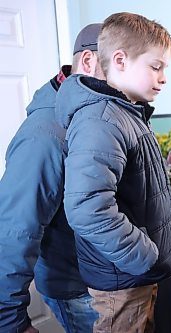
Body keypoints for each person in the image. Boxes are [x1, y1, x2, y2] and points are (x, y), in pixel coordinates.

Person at [55, 12, 171, 333]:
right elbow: (87, 210)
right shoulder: (102, 119)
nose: (164, 78)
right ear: (120, 60)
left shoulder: (124, 113)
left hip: (133, 275)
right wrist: (144, 255)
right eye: (156, 66)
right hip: (123, 279)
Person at [0, 24, 102, 333]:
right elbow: (15, 230)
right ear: (88, 62)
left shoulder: (89, 116)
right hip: (76, 289)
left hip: (96, 280)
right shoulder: (44, 136)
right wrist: (9, 320)